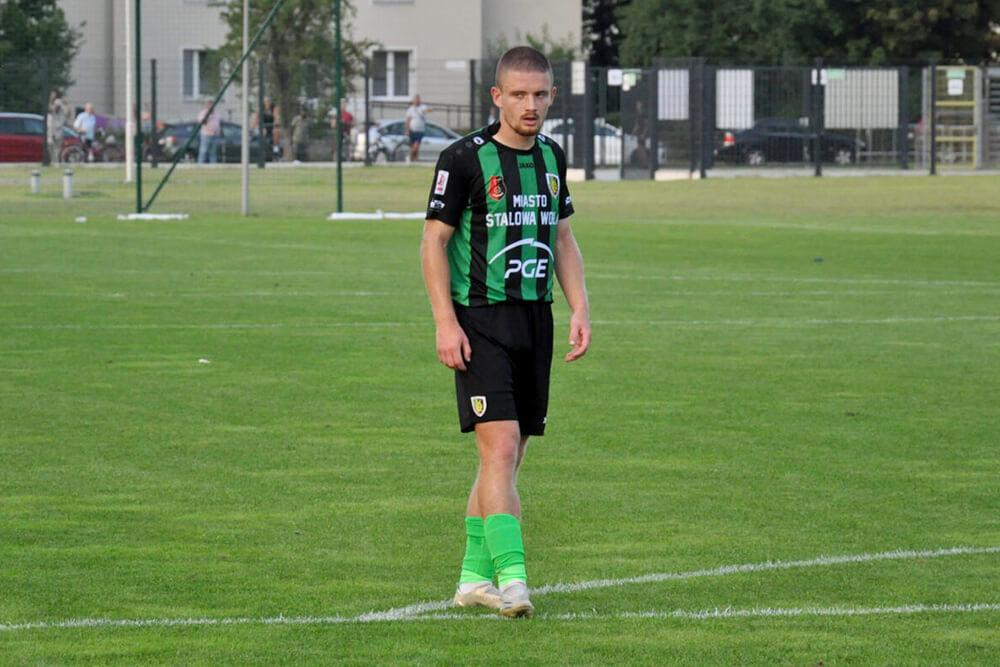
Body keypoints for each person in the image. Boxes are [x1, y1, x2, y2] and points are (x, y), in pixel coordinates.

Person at [420, 46, 591, 619]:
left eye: (540, 94)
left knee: (509, 457)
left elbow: (562, 237)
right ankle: (514, 582)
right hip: (479, 321)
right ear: (497, 97)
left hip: (534, 319)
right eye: (518, 94)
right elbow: (433, 242)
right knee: (498, 448)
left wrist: (580, 308)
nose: (530, 105)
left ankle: (473, 579)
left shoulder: (552, 156)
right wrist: (445, 322)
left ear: (552, 96)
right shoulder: (463, 159)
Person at [405, 94, 430, 162]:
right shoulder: (410, 109)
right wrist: (407, 130)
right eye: (415, 99)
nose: (417, 101)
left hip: (420, 130)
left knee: (416, 145)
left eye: (418, 99)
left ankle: (409, 157)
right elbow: (408, 120)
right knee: (413, 146)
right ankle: (415, 159)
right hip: (412, 130)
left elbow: (428, 110)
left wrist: (427, 110)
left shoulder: (422, 107)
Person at [47, 89, 70, 164]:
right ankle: (54, 161)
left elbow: (53, 110)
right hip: (54, 128)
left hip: (56, 129)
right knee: (52, 146)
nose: (51, 95)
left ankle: (55, 162)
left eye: (52, 94)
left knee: (54, 146)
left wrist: (50, 101)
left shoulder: (57, 102)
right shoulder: (60, 103)